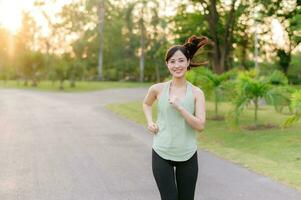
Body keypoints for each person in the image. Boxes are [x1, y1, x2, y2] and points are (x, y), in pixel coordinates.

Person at [142, 35, 210, 200]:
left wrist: (181, 108)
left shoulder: (196, 93)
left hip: (187, 154)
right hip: (161, 151)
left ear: (187, 62)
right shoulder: (157, 89)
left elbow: (200, 126)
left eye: (180, 60)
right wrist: (150, 122)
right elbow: (146, 104)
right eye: (172, 61)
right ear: (167, 64)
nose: (177, 65)